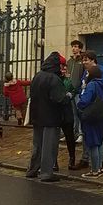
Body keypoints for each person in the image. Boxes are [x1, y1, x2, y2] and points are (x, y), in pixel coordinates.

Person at [26, 52, 68, 182]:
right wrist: (67, 96)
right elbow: (59, 98)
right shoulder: (54, 79)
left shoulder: (37, 76)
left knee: (37, 145)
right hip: (51, 117)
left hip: (37, 116)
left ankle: (32, 169)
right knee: (49, 146)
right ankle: (46, 173)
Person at [76, 50, 103, 169]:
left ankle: (97, 165)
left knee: (97, 139)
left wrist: (82, 100)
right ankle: (88, 159)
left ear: (93, 60)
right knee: (90, 138)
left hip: (94, 109)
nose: (84, 62)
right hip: (88, 107)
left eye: (86, 60)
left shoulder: (101, 71)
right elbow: (82, 87)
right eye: (83, 60)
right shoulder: (86, 72)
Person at [60, 57, 79, 170]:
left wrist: (70, 95)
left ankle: (72, 158)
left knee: (70, 137)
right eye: (62, 69)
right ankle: (54, 162)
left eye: (65, 69)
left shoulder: (67, 80)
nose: (63, 71)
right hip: (57, 112)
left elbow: (72, 89)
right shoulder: (55, 79)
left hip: (67, 111)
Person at [66, 40, 84, 144]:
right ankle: (74, 132)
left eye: (76, 46)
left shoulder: (82, 61)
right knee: (72, 113)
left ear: (80, 48)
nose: (74, 48)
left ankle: (81, 133)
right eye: (73, 46)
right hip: (70, 91)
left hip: (78, 91)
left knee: (79, 112)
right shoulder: (69, 61)